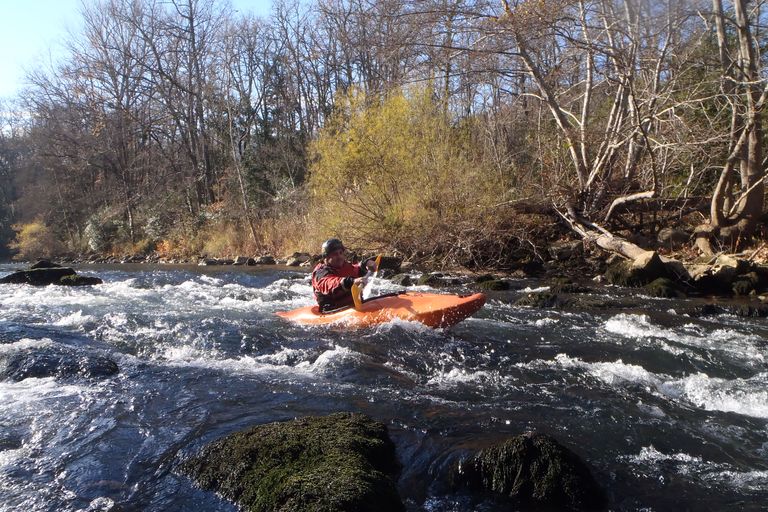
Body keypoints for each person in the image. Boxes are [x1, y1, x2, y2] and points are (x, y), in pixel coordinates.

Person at [311, 238, 376, 312]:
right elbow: (329, 283)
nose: (339, 257)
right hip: (333, 312)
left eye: (341, 253)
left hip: (354, 307)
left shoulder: (344, 266)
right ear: (326, 257)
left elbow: (356, 268)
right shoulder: (320, 273)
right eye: (335, 254)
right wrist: (351, 281)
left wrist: (366, 264)